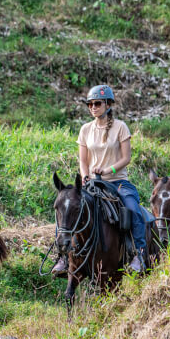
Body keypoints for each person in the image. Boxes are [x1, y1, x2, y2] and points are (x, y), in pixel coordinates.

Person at [52, 84, 147, 275]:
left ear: (108, 104)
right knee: (66, 208)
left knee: (133, 209)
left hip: (118, 182)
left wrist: (107, 170)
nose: (93, 107)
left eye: (97, 103)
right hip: (93, 184)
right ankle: (62, 257)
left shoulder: (121, 127)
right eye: (90, 104)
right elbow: (83, 159)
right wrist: (85, 175)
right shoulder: (85, 129)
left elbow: (126, 158)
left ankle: (139, 254)